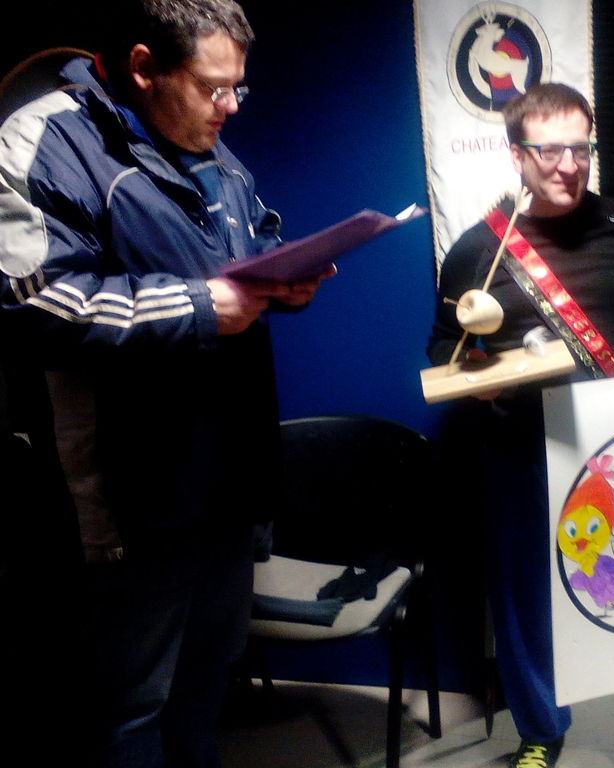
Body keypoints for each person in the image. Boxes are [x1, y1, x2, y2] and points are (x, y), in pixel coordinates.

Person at [0, 1, 332, 765]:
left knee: (205, 685)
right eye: (214, 87)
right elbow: (33, 302)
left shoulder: (205, 139)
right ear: (145, 67)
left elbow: (250, 234)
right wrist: (199, 306)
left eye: (238, 87)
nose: (231, 106)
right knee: (130, 706)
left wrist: (284, 274)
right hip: (134, 496)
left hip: (227, 480)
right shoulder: (43, 139)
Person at [427, 83, 614, 768]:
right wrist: (479, 379)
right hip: (518, 450)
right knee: (525, 602)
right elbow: (444, 346)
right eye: (550, 151)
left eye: (582, 149)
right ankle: (541, 733)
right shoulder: (478, 250)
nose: (569, 166)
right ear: (516, 153)